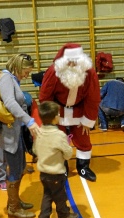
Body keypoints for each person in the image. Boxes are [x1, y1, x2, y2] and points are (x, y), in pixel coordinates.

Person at [39, 43, 101, 182]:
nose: (73, 64)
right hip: (58, 111)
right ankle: (62, 167)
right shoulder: (53, 72)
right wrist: (50, 118)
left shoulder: (89, 72)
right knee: (57, 139)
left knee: (83, 139)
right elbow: (45, 96)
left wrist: (88, 119)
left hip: (80, 109)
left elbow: (93, 97)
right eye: (70, 61)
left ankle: (83, 166)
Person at [0, 53, 40, 218]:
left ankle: (14, 201)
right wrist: (29, 121)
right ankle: (13, 208)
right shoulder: (6, 79)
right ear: (18, 67)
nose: (27, 75)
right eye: (26, 72)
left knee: (20, 167)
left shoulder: (12, 79)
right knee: (15, 168)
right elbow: (10, 102)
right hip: (9, 132)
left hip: (15, 130)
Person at [33, 101, 79, 218]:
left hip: (43, 173)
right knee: (60, 195)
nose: (59, 115)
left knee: (48, 195)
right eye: (58, 114)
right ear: (54, 119)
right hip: (56, 173)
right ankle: (63, 214)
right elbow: (68, 154)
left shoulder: (39, 132)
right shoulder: (59, 135)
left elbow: (35, 150)